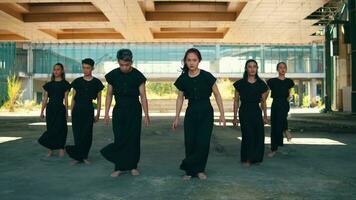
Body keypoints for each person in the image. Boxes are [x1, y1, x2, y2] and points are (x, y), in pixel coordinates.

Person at [172, 48, 226, 180]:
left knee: (203, 143)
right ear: (185, 61)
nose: (191, 63)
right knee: (190, 142)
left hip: (206, 112)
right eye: (189, 60)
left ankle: (200, 170)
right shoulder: (183, 79)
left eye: (194, 60)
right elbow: (180, 98)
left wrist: (222, 114)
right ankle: (190, 171)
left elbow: (217, 95)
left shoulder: (207, 76)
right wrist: (177, 117)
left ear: (199, 61)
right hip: (191, 113)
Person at [101, 49, 150, 177]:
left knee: (133, 138)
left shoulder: (138, 76)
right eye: (122, 65)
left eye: (127, 65)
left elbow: (143, 96)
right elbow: (109, 95)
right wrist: (106, 114)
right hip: (119, 110)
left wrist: (146, 114)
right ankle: (119, 167)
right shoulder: (112, 75)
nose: (124, 67)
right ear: (118, 62)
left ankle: (133, 166)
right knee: (120, 138)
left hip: (134, 110)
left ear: (131, 62)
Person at [66, 58, 104, 165]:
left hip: (88, 109)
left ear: (92, 68)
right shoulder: (77, 82)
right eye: (83, 68)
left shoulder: (97, 82)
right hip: (77, 110)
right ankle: (78, 157)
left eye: (88, 68)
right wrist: (70, 112)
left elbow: (100, 99)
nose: (85, 70)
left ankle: (84, 156)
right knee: (77, 133)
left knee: (87, 134)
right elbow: (73, 97)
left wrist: (98, 114)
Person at [232, 59, 269, 166]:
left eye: (254, 66)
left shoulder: (261, 84)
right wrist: (235, 117)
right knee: (248, 135)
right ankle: (247, 159)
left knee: (259, 135)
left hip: (256, 111)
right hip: (244, 111)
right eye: (250, 66)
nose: (252, 69)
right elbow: (236, 101)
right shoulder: (239, 84)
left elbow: (263, 102)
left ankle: (256, 158)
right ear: (246, 69)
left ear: (257, 68)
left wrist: (265, 116)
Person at [38, 63, 71, 157]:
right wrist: (41, 112)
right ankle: (50, 149)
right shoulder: (49, 85)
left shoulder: (66, 84)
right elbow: (45, 99)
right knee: (50, 129)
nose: (56, 71)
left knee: (62, 129)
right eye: (54, 69)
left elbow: (66, 99)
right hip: (50, 109)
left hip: (60, 108)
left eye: (58, 69)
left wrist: (66, 112)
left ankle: (61, 148)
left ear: (62, 71)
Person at [267, 62, 295, 157]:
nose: (282, 69)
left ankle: (285, 130)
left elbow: (289, 93)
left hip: (284, 103)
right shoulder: (272, 81)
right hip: (275, 103)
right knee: (274, 126)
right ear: (277, 69)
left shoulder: (289, 81)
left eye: (284, 67)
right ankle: (274, 148)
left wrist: (288, 100)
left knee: (281, 118)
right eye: (280, 67)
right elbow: (266, 93)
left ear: (286, 69)